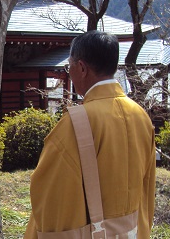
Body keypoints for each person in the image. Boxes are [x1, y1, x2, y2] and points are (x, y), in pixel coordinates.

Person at [24, 30, 156, 238]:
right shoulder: (140, 115)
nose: (70, 73)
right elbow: (147, 189)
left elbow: (50, 195)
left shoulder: (77, 123)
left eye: (70, 67)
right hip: (132, 231)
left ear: (82, 67)